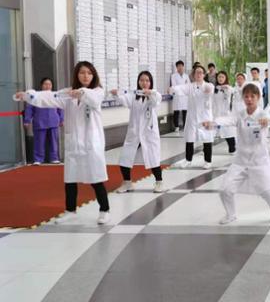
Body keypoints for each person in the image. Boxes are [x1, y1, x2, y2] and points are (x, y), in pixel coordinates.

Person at [14, 62, 110, 225]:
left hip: (91, 144)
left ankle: (104, 210)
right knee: (70, 179)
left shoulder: (97, 91)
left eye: (89, 73)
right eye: (82, 72)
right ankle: (70, 211)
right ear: (76, 75)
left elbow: (94, 100)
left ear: (93, 75)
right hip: (74, 143)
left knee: (96, 178)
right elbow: (49, 97)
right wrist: (28, 95)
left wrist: (81, 93)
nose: (85, 76)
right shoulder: (68, 93)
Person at [203, 83, 270, 226]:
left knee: (269, 192)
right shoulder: (240, 115)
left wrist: (266, 121)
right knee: (225, 189)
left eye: (252, 96)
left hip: (259, 161)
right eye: (246, 96)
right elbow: (228, 119)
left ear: (258, 97)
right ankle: (231, 215)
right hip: (240, 161)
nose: (249, 99)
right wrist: (213, 123)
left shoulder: (262, 114)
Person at [112, 71, 165, 194]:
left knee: (153, 159)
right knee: (125, 158)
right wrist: (116, 95)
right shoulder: (133, 95)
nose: (144, 83)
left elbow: (156, 101)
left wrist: (149, 94)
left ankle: (159, 182)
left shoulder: (154, 94)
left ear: (150, 82)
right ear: (138, 82)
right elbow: (124, 100)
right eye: (142, 80)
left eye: (147, 80)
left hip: (149, 133)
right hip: (135, 133)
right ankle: (127, 183)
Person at [170, 65, 215, 169]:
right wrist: (172, 89)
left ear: (204, 74)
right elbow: (180, 88)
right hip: (192, 117)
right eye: (196, 72)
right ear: (194, 75)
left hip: (205, 117)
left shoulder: (208, 85)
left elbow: (211, 90)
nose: (198, 74)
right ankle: (188, 160)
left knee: (207, 139)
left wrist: (208, 90)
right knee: (189, 138)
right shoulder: (190, 86)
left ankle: (208, 161)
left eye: (200, 72)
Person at [23, 78, 63, 165]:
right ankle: (38, 159)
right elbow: (29, 109)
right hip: (39, 121)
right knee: (39, 141)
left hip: (53, 121)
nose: (47, 86)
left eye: (49, 84)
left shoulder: (55, 95)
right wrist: (27, 120)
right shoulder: (36, 95)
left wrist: (61, 119)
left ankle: (54, 158)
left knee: (53, 142)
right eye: (45, 84)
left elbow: (60, 107)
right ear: (41, 85)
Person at [213, 71, 237, 154]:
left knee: (228, 131)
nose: (220, 79)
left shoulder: (228, 88)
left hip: (226, 113)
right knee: (210, 132)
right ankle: (206, 149)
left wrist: (226, 89)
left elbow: (233, 92)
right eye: (219, 77)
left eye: (222, 77)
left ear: (226, 78)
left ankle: (232, 148)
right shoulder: (214, 89)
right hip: (216, 113)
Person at [170, 60, 189, 131]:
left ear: (183, 67)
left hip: (185, 96)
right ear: (176, 67)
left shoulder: (186, 76)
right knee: (176, 111)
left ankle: (185, 125)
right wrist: (183, 87)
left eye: (181, 66)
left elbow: (188, 85)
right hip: (177, 95)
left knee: (185, 111)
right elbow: (174, 86)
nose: (180, 67)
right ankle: (176, 126)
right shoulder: (173, 76)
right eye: (178, 66)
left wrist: (182, 88)